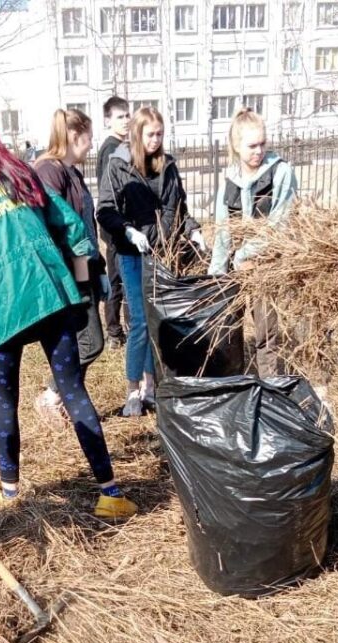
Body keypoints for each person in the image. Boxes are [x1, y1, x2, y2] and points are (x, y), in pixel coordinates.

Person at [0, 109, 137, 519]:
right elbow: (75, 230)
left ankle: (9, 491)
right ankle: (110, 493)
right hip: (51, 298)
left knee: (5, 400)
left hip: (2, 309)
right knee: (73, 392)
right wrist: (80, 285)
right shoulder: (16, 169)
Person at [97, 106, 205, 417]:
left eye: (160, 134)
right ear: (137, 134)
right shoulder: (119, 165)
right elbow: (105, 208)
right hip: (132, 254)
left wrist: (193, 230)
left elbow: (179, 206)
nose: (156, 140)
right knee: (141, 322)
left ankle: (150, 385)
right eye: (150, 134)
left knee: (157, 320)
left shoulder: (167, 166)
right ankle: (133, 390)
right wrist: (127, 230)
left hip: (162, 254)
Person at [207, 108, 299, 377]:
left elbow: (279, 224)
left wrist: (246, 254)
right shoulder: (229, 181)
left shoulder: (281, 173)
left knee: (266, 333)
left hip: (267, 267)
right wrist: (217, 276)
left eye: (262, 144)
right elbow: (223, 231)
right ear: (236, 145)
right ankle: (234, 384)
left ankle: (270, 387)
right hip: (237, 271)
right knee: (229, 332)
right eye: (251, 146)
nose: (258, 151)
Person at [33, 108, 106, 426]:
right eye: (89, 137)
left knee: (83, 341)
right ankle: (51, 396)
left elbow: (87, 226)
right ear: (76, 136)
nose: (92, 145)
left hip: (85, 268)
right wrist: (81, 277)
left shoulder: (71, 171)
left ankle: (66, 398)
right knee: (91, 341)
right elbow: (62, 228)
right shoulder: (50, 171)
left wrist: (99, 268)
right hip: (70, 272)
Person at [97, 96, 131, 346]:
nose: (126, 121)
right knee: (119, 281)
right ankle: (116, 333)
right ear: (108, 121)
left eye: (128, 115)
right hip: (117, 226)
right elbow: (114, 192)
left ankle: (118, 330)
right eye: (120, 116)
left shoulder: (119, 146)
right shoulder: (112, 149)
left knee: (119, 279)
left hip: (118, 225)